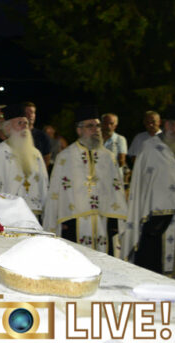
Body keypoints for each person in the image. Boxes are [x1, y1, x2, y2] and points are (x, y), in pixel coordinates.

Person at [43, 106, 126, 254]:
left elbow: (116, 191)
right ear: (79, 130)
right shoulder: (65, 157)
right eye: (90, 126)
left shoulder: (108, 157)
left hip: (103, 221)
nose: (96, 130)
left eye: (98, 126)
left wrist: (115, 222)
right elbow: (56, 193)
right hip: (73, 221)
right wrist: (61, 220)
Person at [121, 105, 175, 274]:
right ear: (168, 125)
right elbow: (141, 184)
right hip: (155, 220)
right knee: (153, 267)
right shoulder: (149, 148)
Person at [0, 103, 49, 218]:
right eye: (19, 123)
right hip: (7, 216)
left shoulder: (36, 154)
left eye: (26, 123)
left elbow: (44, 186)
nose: (24, 127)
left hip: (33, 217)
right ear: (8, 127)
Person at [22, 101, 52, 166]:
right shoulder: (16, 136)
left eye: (32, 112)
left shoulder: (43, 136)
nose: (30, 115)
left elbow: (46, 159)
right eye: (27, 113)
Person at [101, 112, 128, 181]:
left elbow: (121, 161)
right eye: (105, 123)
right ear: (101, 124)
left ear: (115, 125)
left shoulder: (120, 139)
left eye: (111, 123)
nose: (108, 126)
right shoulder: (94, 140)